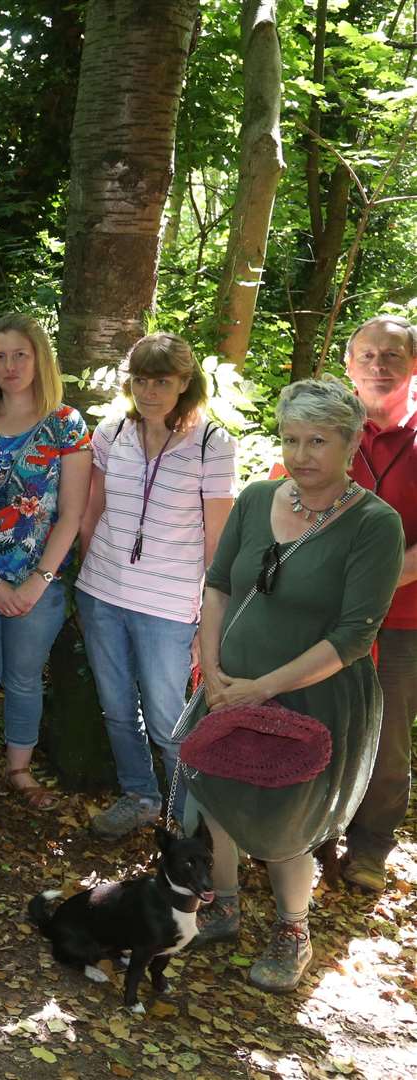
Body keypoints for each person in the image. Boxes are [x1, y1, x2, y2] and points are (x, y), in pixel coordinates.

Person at [187, 379, 403, 993]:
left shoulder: (373, 524)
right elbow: (219, 584)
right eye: (291, 438)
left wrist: (262, 688)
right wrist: (213, 668)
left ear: (350, 442)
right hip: (227, 687)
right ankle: (223, 907)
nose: (303, 453)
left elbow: (354, 636)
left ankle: (292, 931)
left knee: (288, 821)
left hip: (312, 696)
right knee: (219, 801)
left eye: (319, 440)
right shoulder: (256, 499)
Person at [76, 334, 237, 837]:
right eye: (141, 380)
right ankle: (140, 797)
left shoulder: (213, 443)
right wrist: (83, 580)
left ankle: (187, 820)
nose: (149, 391)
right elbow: (90, 514)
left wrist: (210, 623)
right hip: (101, 593)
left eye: (162, 381)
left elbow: (219, 542)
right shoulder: (111, 431)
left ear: (185, 383)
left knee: (170, 721)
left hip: (169, 606)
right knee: (117, 708)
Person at [0, 314, 91, 822]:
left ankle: (20, 771)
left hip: (41, 580)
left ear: (39, 360)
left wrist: (37, 581)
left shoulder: (66, 425)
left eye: (19, 355)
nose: (9, 366)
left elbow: (72, 513)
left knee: (26, 678)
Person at [339, 315, 417, 893]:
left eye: (392, 355)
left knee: (386, 738)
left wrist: (373, 583)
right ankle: (311, 834)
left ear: (413, 366)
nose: (379, 365)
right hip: (328, 614)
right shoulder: (332, 429)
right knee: (324, 722)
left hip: (403, 621)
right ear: (349, 366)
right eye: (367, 354)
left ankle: (369, 847)